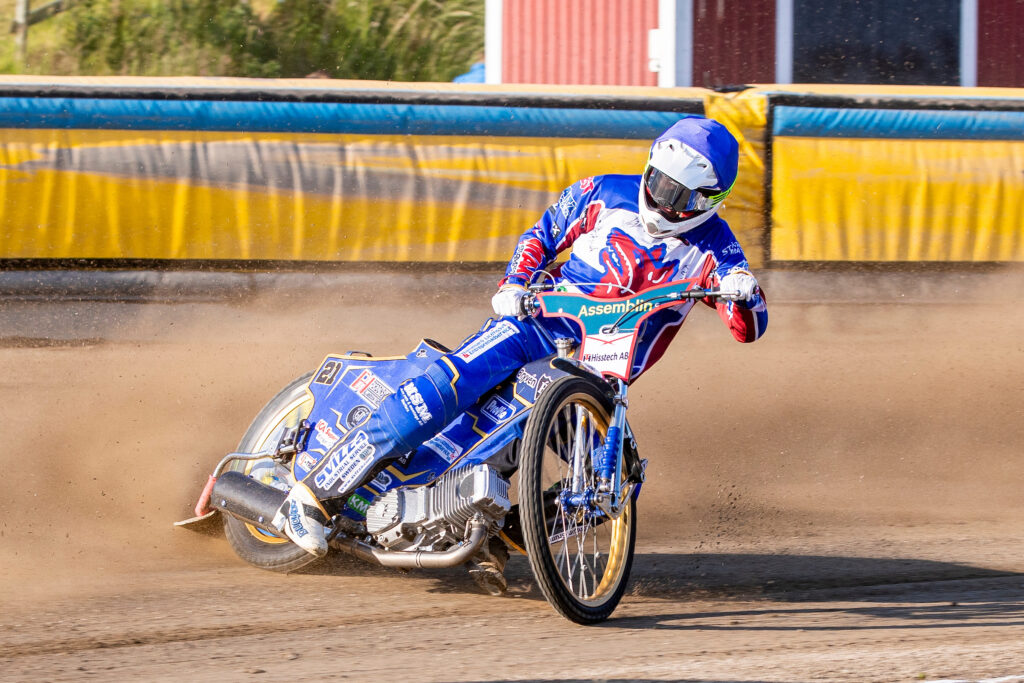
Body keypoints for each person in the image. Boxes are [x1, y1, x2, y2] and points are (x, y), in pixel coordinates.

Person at [273, 116, 768, 557]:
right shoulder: (601, 192)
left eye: (677, 195)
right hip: (534, 325)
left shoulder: (718, 250)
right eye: (657, 182)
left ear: (709, 201)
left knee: (613, 482)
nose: (660, 198)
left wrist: (744, 294)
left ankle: (506, 538)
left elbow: (748, 328)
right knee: (448, 385)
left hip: (594, 377)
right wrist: (513, 284)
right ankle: (312, 496)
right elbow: (542, 235)